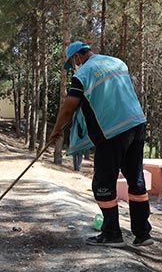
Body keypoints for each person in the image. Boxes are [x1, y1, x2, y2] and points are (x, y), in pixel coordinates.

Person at [49, 41, 153, 248]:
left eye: (72, 63)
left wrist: (56, 130)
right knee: (136, 180)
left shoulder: (84, 73)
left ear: (77, 56)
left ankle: (112, 233)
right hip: (137, 123)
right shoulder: (117, 62)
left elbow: (69, 107)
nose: (74, 68)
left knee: (103, 184)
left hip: (112, 131)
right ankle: (143, 234)